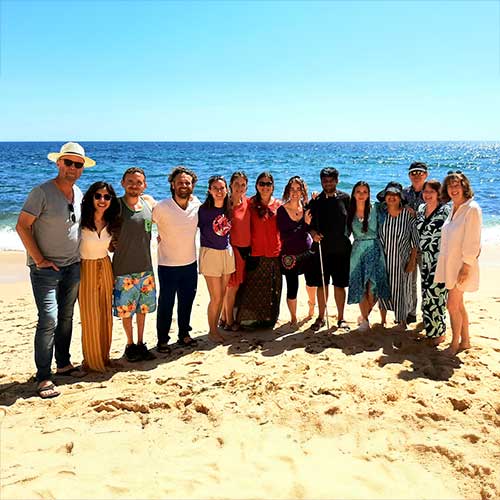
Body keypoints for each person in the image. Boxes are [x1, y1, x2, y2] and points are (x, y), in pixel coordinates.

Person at [16, 142, 94, 399]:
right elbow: (22, 226)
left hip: (73, 266)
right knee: (48, 318)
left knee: (66, 317)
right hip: (45, 269)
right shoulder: (41, 192)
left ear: (82, 168)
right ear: (59, 163)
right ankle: (43, 376)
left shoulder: (79, 193)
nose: (72, 168)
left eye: (77, 164)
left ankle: (63, 364)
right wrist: (39, 259)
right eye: (68, 162)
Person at [153, 166, 201, 352]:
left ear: (192, 186)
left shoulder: (196, 205)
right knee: (166, 303)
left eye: (187, 183)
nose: (184, 185)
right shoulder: (162, 207)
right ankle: (162, 340)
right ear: (172, 184)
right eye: (180, 182)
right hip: (167, 265)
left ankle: (184, 334)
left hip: (190, 263)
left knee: (187, 301)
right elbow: (146, 224)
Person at [112, 167, 157, 362]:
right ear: (122, 183)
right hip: (123, 270)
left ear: (144, 185)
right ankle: (129, 345)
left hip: (146, 268)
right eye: (130, 181)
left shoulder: (148, 204)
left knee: (143, 310)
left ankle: (140, 343)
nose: (134, 185)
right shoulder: (116, 206)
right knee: (126, 311)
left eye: (138, 182)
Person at [435, 172, 481, 356]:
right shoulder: (453, 208)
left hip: (462, 266)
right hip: (451, 265)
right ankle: (465, 341)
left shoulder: (472, 209)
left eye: (457, 185)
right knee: (459, 305)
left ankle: (454, 344)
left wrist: (466, 266)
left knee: (452, 306)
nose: (453, 189)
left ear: (464, 187)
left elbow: (473, 241)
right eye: (450, 186)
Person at [79, 181, 121, 371]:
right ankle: (91, 361)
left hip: (105, 266)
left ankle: (104, 357)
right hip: (85, 267)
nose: (102, 200)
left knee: (105, 314)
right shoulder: (80, 221)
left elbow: (110, 247)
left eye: (107, 197)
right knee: (90, 315)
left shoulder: (112, 222)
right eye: (98, 196)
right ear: (91, 198)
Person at [236, 172, 282, 328]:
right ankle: (250, 319)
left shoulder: (279, 205)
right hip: (255, 252)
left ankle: (269, 319)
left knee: (272, 289)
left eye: (268, 184)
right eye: (262, 183)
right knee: (253, 288)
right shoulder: (249, 203)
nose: (265, 187)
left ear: (273, 186)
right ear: (256, 186)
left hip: (274, 253)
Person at [308, 167, 351, 331]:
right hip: (322, 249)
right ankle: (320, 317)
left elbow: (353, 221)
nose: (328, 183)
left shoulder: (345, 198)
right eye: (325, 181)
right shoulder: (316, 201)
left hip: (341, 249)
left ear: (337, 181)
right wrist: (313, 234)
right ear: (321, 182)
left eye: (331, 180)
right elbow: (308, 224)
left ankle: (341, 318)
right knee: (322, 285)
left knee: (339, 285)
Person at [346, 181, 390, 331]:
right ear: (353, 194)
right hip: (357, 252)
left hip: (375, 249)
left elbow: (392, 204)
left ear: (369, 194)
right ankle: (365, 320)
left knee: (373, 288)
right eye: (358, 191)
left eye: (365, 191)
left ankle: (365, 314)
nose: (361, 194)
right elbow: (343, 232)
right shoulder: (349, 211)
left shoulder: (376, 208)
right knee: (361, 287)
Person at [376, 182, 419, 330]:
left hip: (402, 260)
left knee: (402, 290)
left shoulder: (408, 215)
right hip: (383, 260)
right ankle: (383, 320)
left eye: (395, 195)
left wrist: (412, 261)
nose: (392, 197)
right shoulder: (380, 213)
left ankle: (402, 321)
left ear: (401, 197)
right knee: (383, 289)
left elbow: (415, 241)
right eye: (389, 194)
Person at [198, 176, 235, 342]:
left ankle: (216, 327)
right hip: (210, 254)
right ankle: (212, 331)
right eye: (215, 188)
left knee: (223, 294)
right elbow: (186, 226)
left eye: (222, 188)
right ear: (209, 190)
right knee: (216, 297)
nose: (219, 191)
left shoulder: (229, 208)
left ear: (227, 190)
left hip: (226, 252)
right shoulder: (203, 210)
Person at [277, 176, 316, 325]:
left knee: (311, 283)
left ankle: (311, 309)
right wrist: (304, 224)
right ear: (288, 191)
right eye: (292, 189)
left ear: (302, 191)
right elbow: (286, 236)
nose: (295, 192)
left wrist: (315, 200)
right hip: (289, 255)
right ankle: (293, 317)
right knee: (292, 287)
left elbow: (315, 223)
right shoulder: (282, 210)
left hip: (307, 252)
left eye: (298, 189)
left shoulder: (306, 208)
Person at [221, 171, 251, 332]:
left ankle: (223, 317)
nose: (240, 187)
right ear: (230, 185)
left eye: (243, 184)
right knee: (232, 287)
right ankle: (229, 321)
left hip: (247, 250)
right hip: (233, 250)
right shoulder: (226, 204)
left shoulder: (248, 202)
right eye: (237, 184)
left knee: (234, 286)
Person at [403, 161, 429, 325]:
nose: (416, 175)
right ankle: (411, 312)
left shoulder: (432, 191)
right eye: (413, 173)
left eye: (420, 172)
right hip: (408, 244)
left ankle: (427, 313)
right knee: (410, 281)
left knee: (427, 282)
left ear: (426, 174)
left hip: (427, 244)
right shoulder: (404, 193)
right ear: (409, 175)